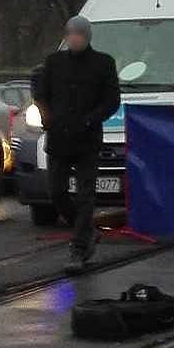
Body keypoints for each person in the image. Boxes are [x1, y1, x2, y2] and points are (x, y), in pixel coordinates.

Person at [33, 16, 121, 272]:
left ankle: (79, 247)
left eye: (79, 35)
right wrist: (47, 118)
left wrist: (90, 120)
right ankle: (86, 230)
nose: (74, 39)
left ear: (87, 37)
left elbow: (111, 99)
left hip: (86, 140)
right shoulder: (54, 62)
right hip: (59, 138)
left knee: (85, 196)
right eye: (70, 35)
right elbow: (41, 95)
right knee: (56, 192)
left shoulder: (103, 63)